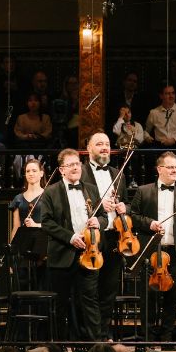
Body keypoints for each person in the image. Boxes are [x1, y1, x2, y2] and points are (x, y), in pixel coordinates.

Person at [129, 151, 176, 341]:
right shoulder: (143, 191)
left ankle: (167, 336)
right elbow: (132, 216)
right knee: (149, 296)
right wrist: (150, 223)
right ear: (159, 169)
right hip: (150, 251)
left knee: (171, 296)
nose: (174, 170)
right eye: (170, 167)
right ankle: (148, 337)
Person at [40, 148, 109, 341]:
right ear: (62, 170)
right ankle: (59, 344)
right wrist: (70, 237)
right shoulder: (51, 192)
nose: (75, 168)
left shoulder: (91, 189)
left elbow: (104, 217)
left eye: (77, 164)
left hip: (90, 253)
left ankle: (94, 344)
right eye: (70, 165)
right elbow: (46, 222)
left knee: (89, 301)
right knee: (60, 303)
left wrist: (99, 222)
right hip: (62, 254)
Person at [80, 132, 128, 339]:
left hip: (114, 237)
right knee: (90, 290)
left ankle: (103, 333)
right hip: (90, 239)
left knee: (109, 290)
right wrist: (100, 205)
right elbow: (76, 205)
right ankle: (90, 336)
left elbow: (127, 205)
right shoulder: (81, 173)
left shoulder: (118, 174)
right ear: (88, 148)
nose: (104, 147)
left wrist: (123, 207)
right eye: (99, 144)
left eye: (107, 144)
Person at [8, 158, 47, 289]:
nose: (31, 173)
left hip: (42, 247)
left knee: (41, 285)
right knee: (22, 286)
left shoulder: (48, 196)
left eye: (34, 170)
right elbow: (16, 227)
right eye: (28, 171)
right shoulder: (18, 198)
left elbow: (53, 224)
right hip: (23, 247)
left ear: (41, 173)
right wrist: (12, 253)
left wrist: (37, 225)